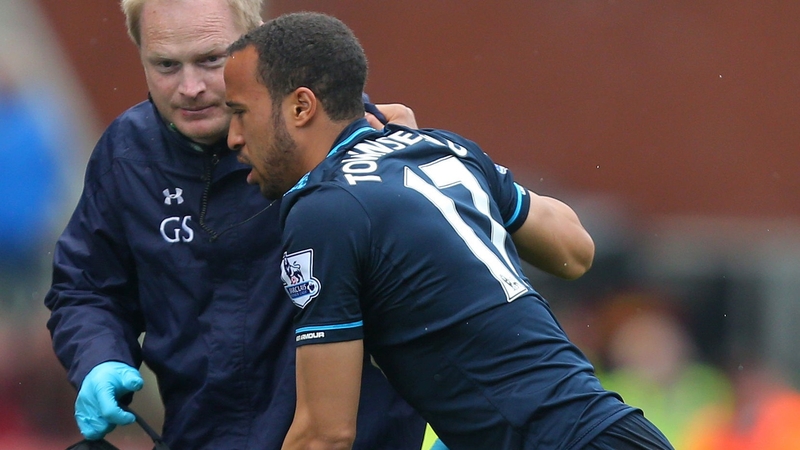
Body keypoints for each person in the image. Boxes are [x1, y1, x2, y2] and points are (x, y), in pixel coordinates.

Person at [223, 12, 675, 450]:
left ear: (301, 106)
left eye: (241, 112)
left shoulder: (323, 210)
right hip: (618, 430)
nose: (233, 138)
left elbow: (324, 435)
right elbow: (575, 250)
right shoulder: (441, 149)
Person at [44, 0, 426, 448]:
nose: (190, 87)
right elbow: (86, 289)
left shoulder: (342, 137)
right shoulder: (126, 157)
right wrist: (97, 360)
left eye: (210, 60)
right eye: (166, 65)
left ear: (254, 44)